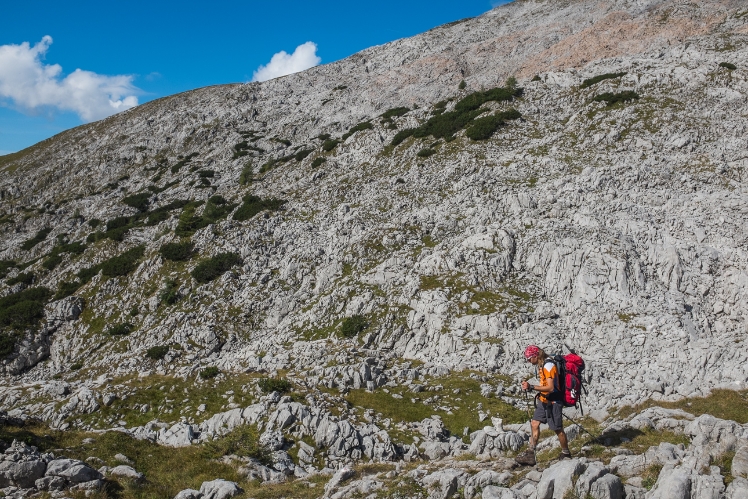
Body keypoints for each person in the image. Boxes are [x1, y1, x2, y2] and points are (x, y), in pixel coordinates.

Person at [515, 345, 571, 466]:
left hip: (554, 401)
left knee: (557, 429)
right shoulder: (541, 365)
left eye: (529, 359)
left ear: (536, 356)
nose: (529, 361)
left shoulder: (548, 366)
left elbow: (550, 387)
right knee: (534, 423)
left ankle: (566, 453)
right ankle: (531, 453)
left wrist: (532, 387)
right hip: (544, 400)